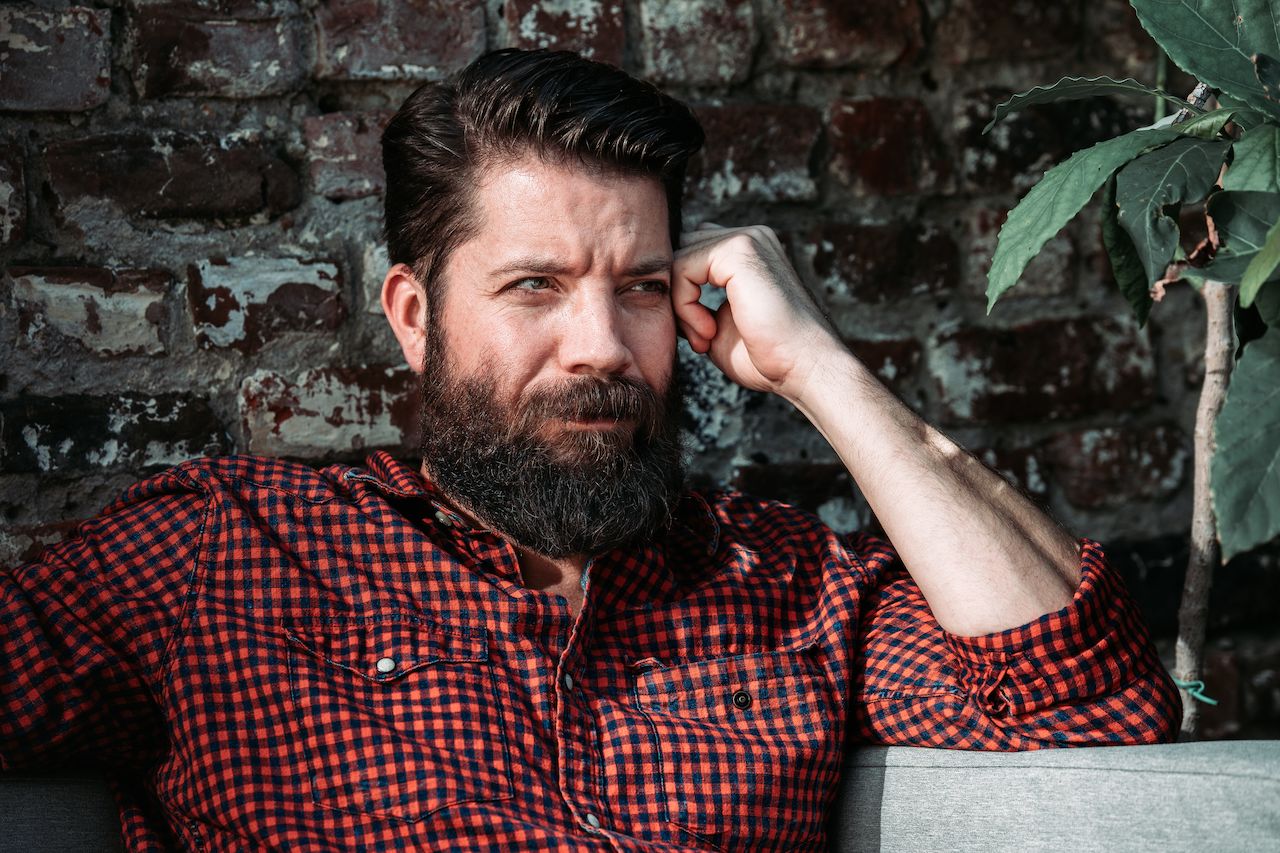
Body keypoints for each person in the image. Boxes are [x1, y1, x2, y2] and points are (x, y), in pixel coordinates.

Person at [1, 49, 1178, 852]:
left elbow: (1088, 704)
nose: (603, 346)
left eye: (642, 288)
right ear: (413, 317)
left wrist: (818, 367)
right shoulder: (222, 556)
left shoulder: (793, 588)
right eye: (534, 286)